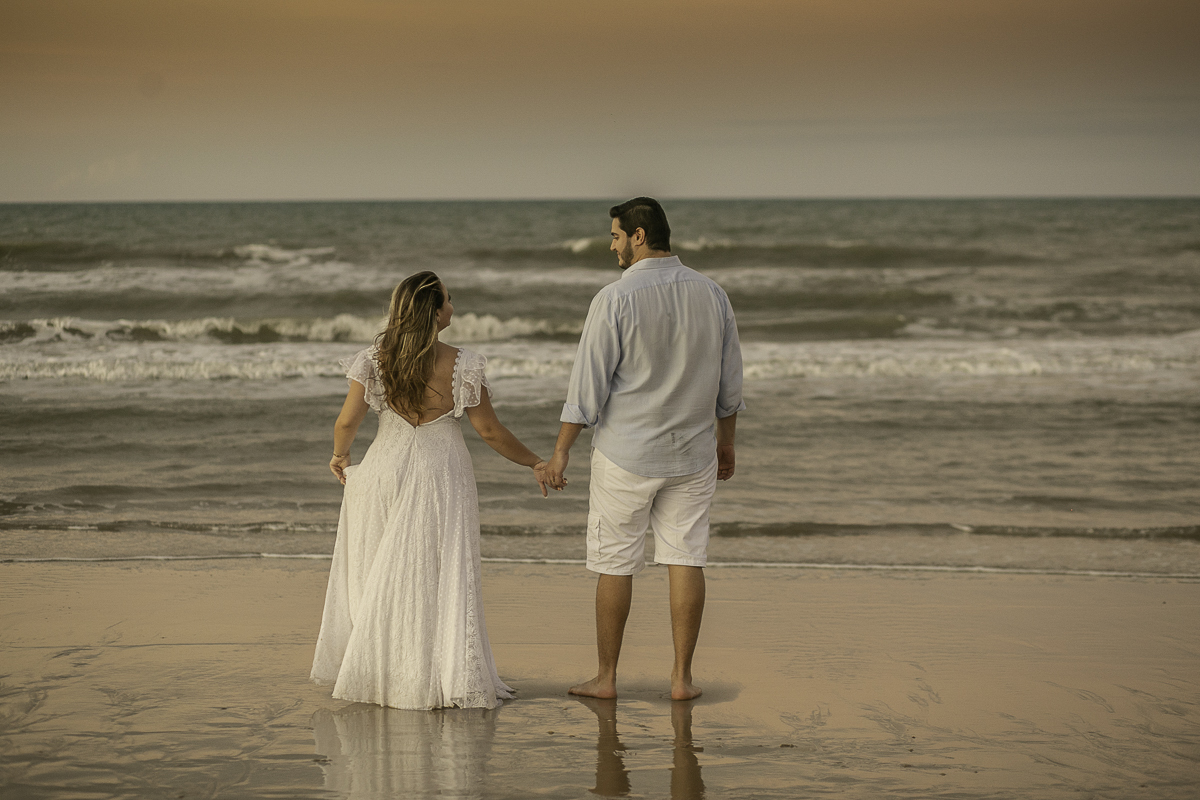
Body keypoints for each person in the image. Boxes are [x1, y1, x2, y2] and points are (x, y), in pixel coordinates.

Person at [310, 271, 549, 710]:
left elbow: (347, 422)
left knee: (386, 571)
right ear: (435, 312)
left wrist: (340, 456)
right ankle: (440, 672)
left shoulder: (374, 359)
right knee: (437, 571)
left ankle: (388, 672)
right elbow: (491, 432)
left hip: (385, 468)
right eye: (449, 300)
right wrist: (535, 460)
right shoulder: (463, 364)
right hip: (442, 473)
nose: (453, 306)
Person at [545, 197, 744, 701]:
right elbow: (729, 383)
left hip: (625, 456)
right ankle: (681, 679)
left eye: (614, 235)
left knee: (615, 562)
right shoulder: (712, 293)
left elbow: (586, 388)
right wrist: (727, 444)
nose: (611, 245)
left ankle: (607, 678)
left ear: (638, 235)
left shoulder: (614, 298)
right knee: (686, 558)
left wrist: (561, 452)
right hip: (693, 453)